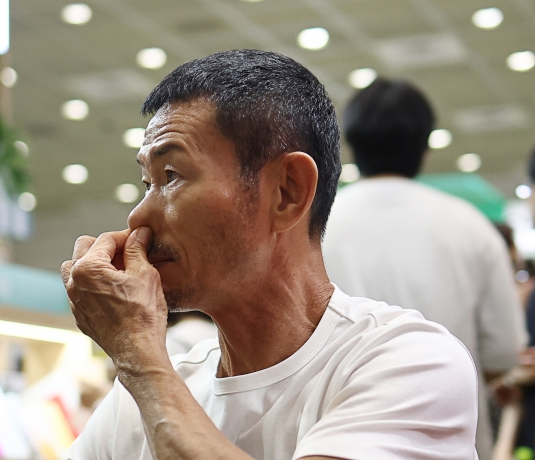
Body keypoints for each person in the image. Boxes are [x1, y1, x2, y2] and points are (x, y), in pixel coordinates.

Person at [61, 50, 478, 460]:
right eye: (146, 182)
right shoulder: (144, 398)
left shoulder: (410, 364)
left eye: (171, 176)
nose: (139, 216)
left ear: (287, 192)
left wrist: (138, 357)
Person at [323, 78, 527, 460]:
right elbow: (503, 353)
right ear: (425, 144)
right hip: (445, 442)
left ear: (349, 143)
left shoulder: (315, 225)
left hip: (330, 440)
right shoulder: (471, 227)